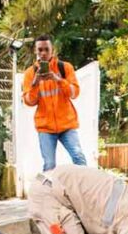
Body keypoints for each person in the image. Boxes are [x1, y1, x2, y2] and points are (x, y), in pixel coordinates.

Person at [22, 35, 87, 171]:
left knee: (79, 157)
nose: (43, 53)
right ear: (35, 51)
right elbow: (29, 102)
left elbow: (74, 93)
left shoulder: (65, 68)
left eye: (46, 49)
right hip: (45, 127)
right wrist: (35, 83)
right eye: (40, 50)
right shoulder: (30, 73)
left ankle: (85, 190)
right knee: (49, 164)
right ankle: (48, 192)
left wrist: (58, 79)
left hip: (67, 125)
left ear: (53, 50)